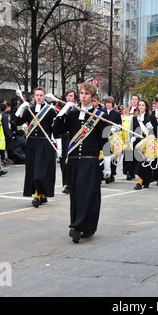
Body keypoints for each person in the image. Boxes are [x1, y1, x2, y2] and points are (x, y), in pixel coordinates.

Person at [53, 82, 108, 242]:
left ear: (92, 96)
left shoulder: (100, 116)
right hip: (74, 162)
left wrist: (107, 165)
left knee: (88, 195)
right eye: (81, 93)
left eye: (86, 94)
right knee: (76, 195)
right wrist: (64, 109)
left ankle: (77, 227)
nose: (83, 96)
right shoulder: (72, 114)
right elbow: (57, 130)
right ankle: (82, 226)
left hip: (90, 161)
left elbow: (105, 142)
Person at [15, 87, 56, 207]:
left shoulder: (49, 110)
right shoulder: (29, 110)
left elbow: (55, 129)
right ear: (34, 96)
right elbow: (17, 122)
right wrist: (21, 109)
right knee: (33, 170)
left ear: (44, 97)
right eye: (37, 95)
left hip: (44, 144)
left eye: (41, 95)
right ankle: (41, 194)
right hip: (32, 144)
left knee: (41, 170)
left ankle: (38, 195)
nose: (38, 97)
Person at [132, 99, 158, 190]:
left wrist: (151, 130)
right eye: (139, 105)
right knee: (140, 162)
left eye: (143, 105)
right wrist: (132, 138)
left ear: (146, 107)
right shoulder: (135, 119)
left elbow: (156, 132)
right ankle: (143, 181)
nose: (141, 107)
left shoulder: (151, 118)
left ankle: (142, 182)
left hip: (148, 143)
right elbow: (132, 130)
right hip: (138, 143)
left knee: (145, 163)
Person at [103, 96, 122, 184]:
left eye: (110, 103)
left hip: (113, 136)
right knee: (105, 155)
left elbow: (120, 125)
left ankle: (112, 174)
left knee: (113, 155)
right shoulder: (102, 112)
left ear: (112, 104)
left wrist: (116, 128)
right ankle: (105, 173)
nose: (108, 105)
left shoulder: (116, 114)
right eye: (107, 103)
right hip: (104, 136)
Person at [122, 94, 139, 180]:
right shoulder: (125, 110)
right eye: (133, 99)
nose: (134, 101)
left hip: (135, 133)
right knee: (127, 153)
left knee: (134, 154)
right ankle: (128, 172)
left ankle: (133, 171)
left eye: (136, 99)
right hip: (126, 133)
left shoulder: (139, 111)